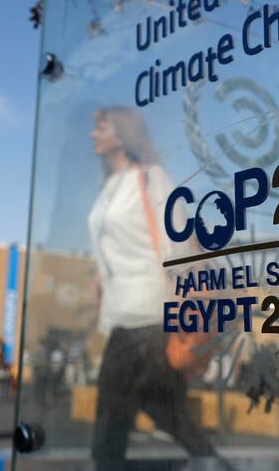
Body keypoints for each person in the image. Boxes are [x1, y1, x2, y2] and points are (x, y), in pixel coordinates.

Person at [86, 106, 218, 470]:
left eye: (101, 127)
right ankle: (212, 463)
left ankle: (105, 466)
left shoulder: (150, 178)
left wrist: (187, 302)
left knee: (111, 411)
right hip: (122, 311)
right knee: (163, 408)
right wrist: (100, 277)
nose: (92, 134)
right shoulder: (109, 187)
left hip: (148, 313)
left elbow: (177, 245)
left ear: (123, 132)